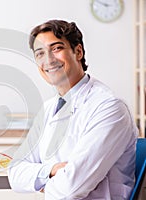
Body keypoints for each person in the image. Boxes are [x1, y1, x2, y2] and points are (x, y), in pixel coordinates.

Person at [8, 19, 138, 199]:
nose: (49, 60)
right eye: (40, 53)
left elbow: (71, 189)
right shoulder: (49, 108)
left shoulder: (109, 107)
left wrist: (38, 181)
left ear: (78, 52)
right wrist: (51, 171)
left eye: (56, 48)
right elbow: (15, 173)